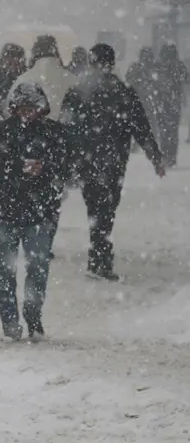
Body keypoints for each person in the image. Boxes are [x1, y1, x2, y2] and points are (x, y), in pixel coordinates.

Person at [0, 84, 71, 341]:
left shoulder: (53, 134)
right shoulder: (0, 134)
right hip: (8, 212)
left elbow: (68, 167)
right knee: (6, 272)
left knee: (36, 269)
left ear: (41, 109)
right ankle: (11, 324)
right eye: (22, 108)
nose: (27, 114)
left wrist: (44, 170)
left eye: (31, 108)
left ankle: (32, 317)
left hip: (38, 212)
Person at [61, 44, 166, 281]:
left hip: (88, 160)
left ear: (90, 63)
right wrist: (155, 157)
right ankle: (100, 257)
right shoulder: (123, 92)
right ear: (111, 63)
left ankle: (98, 255)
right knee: (107, 209)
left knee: (96, 208)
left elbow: (66, 128)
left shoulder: (78, 91)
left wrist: (66, 158)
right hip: (114, 160)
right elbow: (140, 127)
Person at [6, 35, 78, 120]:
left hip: (30, 131)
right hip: (66, 131)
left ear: (34, 54)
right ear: (56, 52)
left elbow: (9, 112)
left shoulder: (22, 81)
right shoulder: (72, 79)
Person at [155, 44, 188, 167]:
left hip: (162, 103)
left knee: (164, 131)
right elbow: (186, 78)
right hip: (173, 103)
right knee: (172, 132)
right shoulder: (178, 65)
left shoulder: (159, 66)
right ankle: (171, 157)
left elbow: (152, 82)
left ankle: (166, 156)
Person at [125, 47, 162, 144]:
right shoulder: (152, 68)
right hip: (147, 98)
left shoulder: (137, 67)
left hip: (142, 98)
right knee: (149, 121)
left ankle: (140, 142)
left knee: (140, 120)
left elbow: (128, 78)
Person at [0, 43, 27, 123]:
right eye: (9, 62)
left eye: (17, 62)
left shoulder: (28, 76)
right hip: (2, 121)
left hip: (25, 120)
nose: (13, 66)